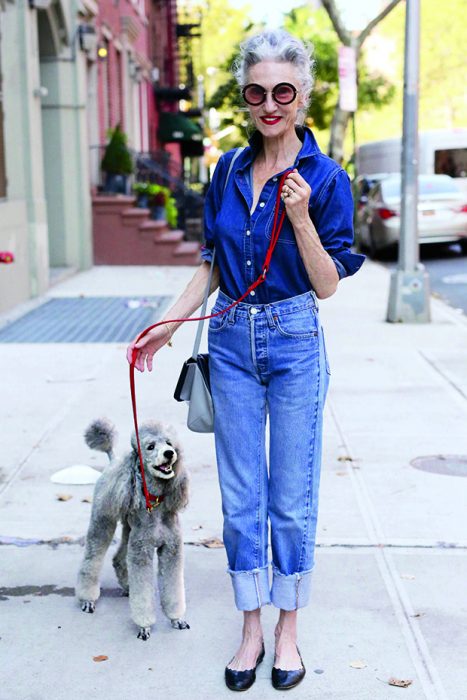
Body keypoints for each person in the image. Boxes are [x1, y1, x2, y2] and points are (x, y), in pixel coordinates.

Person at [127, 29, 364, 692]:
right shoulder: (229, 169)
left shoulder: (324, 178)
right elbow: (210, 264)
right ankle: (250, 627)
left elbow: (326, 284)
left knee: (288, 500)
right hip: (229, 338)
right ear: (245, 97)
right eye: (256, 91)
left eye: (282, 91)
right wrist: (165, 327)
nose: (269, 103)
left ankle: (287, 631)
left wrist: (302, 221)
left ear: (303, 97)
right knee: (240, 502)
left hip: (293, 340)